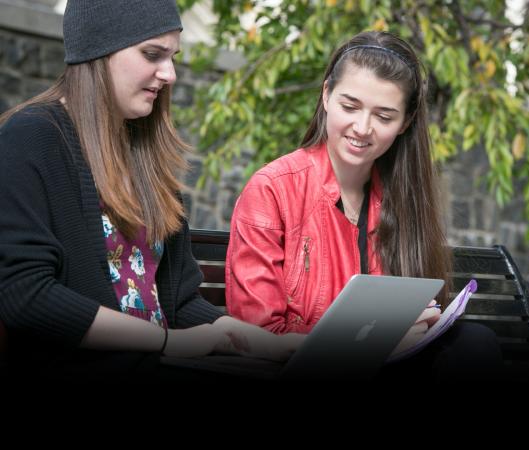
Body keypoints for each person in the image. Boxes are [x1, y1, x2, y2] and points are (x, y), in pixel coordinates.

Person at [0, 0, 303, 381]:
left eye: (173, 56)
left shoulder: (143, 149)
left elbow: (180, 303)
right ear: (98, 50)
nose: (170, 73)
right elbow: (26, 297)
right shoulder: (32, 138)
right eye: (152, 54)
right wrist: (166, 342)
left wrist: (266, 344)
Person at [226, 31, 503, 380]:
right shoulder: (273, 189)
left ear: (405, 122)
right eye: (350, 106)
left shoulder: (403, 197)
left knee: (474, 342)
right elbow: (257, 339)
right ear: (326, 95)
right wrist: (371, 343)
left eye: (384, 117)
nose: (362, 127)